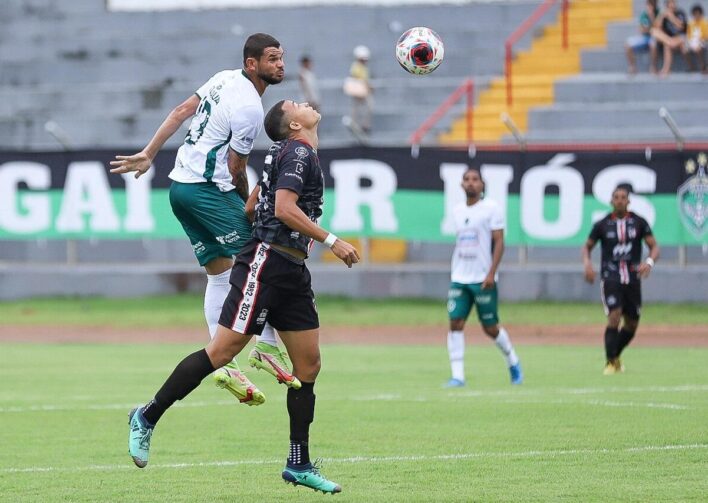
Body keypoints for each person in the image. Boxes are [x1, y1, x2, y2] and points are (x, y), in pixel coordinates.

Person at [127, 99, 360, 494]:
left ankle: (298, 463)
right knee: (220, 352)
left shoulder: (286, 152)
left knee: (309, 367)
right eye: (296, 105)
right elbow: (284, 208)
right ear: (294, 125)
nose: (305, 103)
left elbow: (253, 204)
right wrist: (331, 241)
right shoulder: (299, 152)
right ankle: (146, 416)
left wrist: (270, 223)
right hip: (267, 266)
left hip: (291, 270)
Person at [110, 34, 299, 405]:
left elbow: (181, 111)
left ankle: (223, 362)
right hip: (208, 192)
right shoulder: (248, 108)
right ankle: (266, 346)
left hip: (180, 188)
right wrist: (250, 205)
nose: (280, 65)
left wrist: (150, 153)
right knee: (265, 260)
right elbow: (235, 166)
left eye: (281, 58)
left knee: (220, 273)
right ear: (252, 64)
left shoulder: (224, 77)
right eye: (273, 59)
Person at [445, 168, 523, 387]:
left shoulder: (491, 209)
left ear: (482, 185)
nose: (471, 183)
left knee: (490, 327)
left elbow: (499, 241)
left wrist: (491, 273)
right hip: (460, 276)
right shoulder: (458, 210)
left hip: (483, 278)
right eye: (467, 180)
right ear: (461, 185)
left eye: (475, 180)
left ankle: (512, 361)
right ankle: (457, 376)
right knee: (455, 322)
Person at [582, 186, 660, 375]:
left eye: (623, 197)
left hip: (633, 279)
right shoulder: (602, 225)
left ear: (628, 201)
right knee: (614, 316)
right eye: (616, 197)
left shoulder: (639, 222)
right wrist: (587, 264)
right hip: (611, 277)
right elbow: (587, 247)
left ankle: (615, 356)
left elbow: (654, 246)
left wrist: (649, 262)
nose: (619, 200)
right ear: (611, 201)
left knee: (632, 324)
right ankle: (610, 362)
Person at [651, 0, 688, 75]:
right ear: (667, 5)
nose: (672, 5)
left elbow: (681, 27)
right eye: (670, 3)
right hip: (669, 39)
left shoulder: (680, 13)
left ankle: (666, 70)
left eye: (673, 3)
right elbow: (656, 28)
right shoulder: (664, 14)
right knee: (654, 31)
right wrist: (661, 16)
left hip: (680, 38)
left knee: (667, 44)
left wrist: (671, 17)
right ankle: (666, 70)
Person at [625, 0, 659, 74]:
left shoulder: (658, 13)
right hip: (645, 37)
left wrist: (651, 17)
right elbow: (641, 30)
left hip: (655, 37)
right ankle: (632, 67)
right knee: (627, 44)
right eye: (649, 4)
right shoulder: (644, 14)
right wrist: (649, 29)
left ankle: (653, 67)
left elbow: (657, 28)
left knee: (653, 44)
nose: (651, 6)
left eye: (653, 3)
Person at [345, 45, 373, 134]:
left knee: (361, 108)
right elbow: (360, 78)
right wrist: (368, 86)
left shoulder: (362, 67)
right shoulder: (356, 66)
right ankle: (361, 125)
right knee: (365, 107)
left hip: (362, 91)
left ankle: (359, 125)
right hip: (360, 91)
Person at [684, 3, 708, 72]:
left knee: (698, 48)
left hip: (702, 41)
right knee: (684, 49)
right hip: (692, 41)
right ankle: (691, 67)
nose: (696, 15)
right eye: (695, 14)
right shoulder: (691, 23)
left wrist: (698, 41)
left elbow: (706, 35)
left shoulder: (705, 23)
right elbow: (688, 35)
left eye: (698, 14)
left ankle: (703, 66)